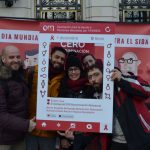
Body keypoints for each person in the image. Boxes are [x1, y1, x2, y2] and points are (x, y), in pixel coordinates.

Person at [87, 64, 150, 150]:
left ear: (105, 74)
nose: (93, 79)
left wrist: (121, 79)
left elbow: (147, 90)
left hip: (140, 140)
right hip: (115, 143)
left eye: (96, 74)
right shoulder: (94, 96)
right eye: (90, 77)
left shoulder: (123, 79)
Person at [58, 60, 107, 150]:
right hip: (69, 136)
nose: (73, 72)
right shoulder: (62, 86)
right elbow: (59, 113)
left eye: (76, 69)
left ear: (81, 71)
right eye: (70, 69)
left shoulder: (90, 88)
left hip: (87, 137)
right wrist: (63, 138)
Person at [26, 46, 67, 150]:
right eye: (57, 57)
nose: (59, 61)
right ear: (50, 56)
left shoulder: (64, 78)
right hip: (31, 128)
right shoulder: (33, 71)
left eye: (62, 59)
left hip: (50, 132)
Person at [0, 45, 36, 150]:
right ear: (3, 59)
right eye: (11, 57)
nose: (16, 60)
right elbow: (1, 115)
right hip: (3, 141)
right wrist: (26, 125)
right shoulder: (1, 81)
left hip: (20, 137)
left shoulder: (19, 75)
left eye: (18, 57)